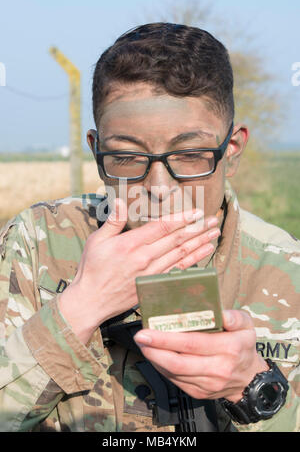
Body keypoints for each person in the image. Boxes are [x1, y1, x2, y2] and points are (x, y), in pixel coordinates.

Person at [0, 22, 299, 433]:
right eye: (125, 157)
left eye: (191, 154)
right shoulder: (37, 243)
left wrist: (252, 387)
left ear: (231, 151)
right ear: (96, 150)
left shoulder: (287, 269)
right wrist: (79, 309)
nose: (159, 188)